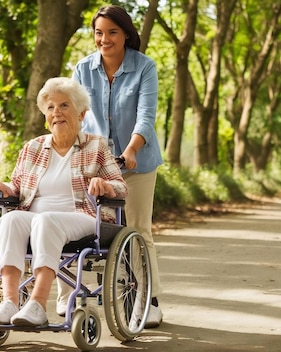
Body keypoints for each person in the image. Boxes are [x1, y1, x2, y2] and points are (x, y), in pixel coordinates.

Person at [0, 77, 127, 327]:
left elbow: (121, 186)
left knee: (46, 221)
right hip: (35, 217)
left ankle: (37, 305)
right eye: (50, 108)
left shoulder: (96, 146)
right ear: (45, 116)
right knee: (9, 220)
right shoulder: (32, 148)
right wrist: (3, 187)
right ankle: (9, 302)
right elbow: (18, 187)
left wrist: (106, 186)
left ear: (81, 114)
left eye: (64, 105)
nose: (56, 112)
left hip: (82, 217)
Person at [69, 4, 164, 328]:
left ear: (126, 34)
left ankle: (147, 300)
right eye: (99, 32)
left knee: (137, 229)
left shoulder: (144, 67)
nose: (104, 39)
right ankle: (67, 292)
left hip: (136, 163)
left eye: (112, 32)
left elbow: (146, 116)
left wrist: (132, 149)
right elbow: (75, 113)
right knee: (77, 225)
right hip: (94, 163)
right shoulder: (83, 69)